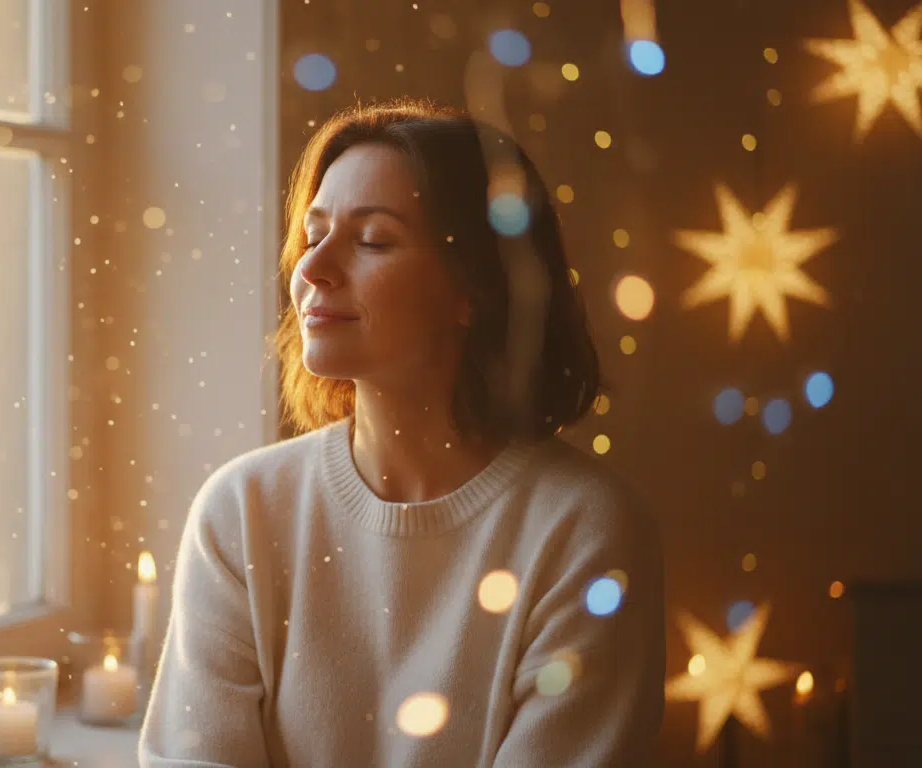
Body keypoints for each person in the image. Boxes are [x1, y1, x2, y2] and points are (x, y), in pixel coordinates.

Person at [138, 98, 665, 767]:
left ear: (474, 288)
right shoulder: (241, 511)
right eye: (312, 235)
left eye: (373, 241)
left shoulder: (585, 531)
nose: (312, 269)